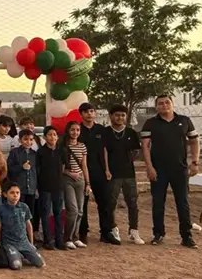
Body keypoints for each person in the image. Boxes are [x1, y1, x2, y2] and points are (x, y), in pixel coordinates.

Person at [141, 95, 200, 248]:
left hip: (179, 169)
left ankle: (187, 237)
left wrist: (195, 162)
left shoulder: (185, 121)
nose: (164, 105)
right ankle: (158, 234)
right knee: (158, 203)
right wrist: (149, 167)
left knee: (183, 203)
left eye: (167, 102)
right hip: (158, 170)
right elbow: (145, 146)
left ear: (172, 104)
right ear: (156, 107)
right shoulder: (150, 123)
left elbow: (194, 141)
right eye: (160, 103)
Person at [103, 104, 144, 245]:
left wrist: (127, 161)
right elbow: (104, 152)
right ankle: (114, 229)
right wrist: (107, 169)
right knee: (111, 203)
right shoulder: (106, 132)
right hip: (112, 174)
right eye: (117, 115)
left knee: (132, 203)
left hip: (129, 174)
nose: (120, 118)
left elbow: (136, 152)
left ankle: (134, 231)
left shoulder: (131, 133)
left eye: (122, 115)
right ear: (111, 116)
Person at [78, 102, 116, 245]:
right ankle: (83, 233)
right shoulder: (77, 130)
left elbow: (105, 150)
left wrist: (106, 169)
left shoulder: (102, 130)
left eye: (92, 111)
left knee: (104, 203)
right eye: (86, 111)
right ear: (81, 114)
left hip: (99, 171)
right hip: (82, 172)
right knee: (83, 204)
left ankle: (106, 233)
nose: (89, 114)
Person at [0, 183, 45, 270]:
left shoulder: (24, 207)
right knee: (16, 265)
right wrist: (0, 244)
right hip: (9, 243)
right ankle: (16, 254)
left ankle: (24, 254)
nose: (15, 195)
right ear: (5, 194)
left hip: (24, 242)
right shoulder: (1, 209)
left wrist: (31, 243)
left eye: (17, 193)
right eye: (12, 193)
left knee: (41, 263)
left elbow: (29, 225)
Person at [62, 121, 91, 250]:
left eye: (78, 130)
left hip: (80, 180)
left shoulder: (83, 146)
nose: (75, 132)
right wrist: (70, 173)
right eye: (73, 130)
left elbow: (84, 165)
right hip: (67, 180)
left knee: (80, 211)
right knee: (72, 210)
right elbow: (60, 167)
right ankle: (67, 238)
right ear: (68, 131)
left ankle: (75, 237)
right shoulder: (62, 146)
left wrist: (87, 183)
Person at [37, 126, 65, 250]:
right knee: (46, 213)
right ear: (44, 137)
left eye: (54, 134)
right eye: (49, 135)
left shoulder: (61, 150)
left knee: (59, 213)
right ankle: (48, 240)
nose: (52, 137)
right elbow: (38, 170)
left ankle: (59, 240)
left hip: (58, 187)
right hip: (44, 187)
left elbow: (63, 167)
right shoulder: (41, 152)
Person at [7, 129, 38, 236]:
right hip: (19, 189)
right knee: (17, 213)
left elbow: (37, 172)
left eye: (31, 139)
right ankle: (17, 236)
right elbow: (9, 169)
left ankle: (29, 238)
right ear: (20, 140)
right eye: (25, 139)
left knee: (29, 214)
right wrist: (21, 167)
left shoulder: (35, 154)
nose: (28, 142)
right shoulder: (14, 153)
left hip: (31, 189)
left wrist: (36, 187)